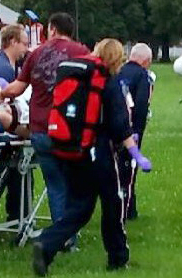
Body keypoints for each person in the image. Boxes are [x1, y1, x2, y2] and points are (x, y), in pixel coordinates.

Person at [32, 38, 152, 276]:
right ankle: (118, 258)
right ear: (117, 58)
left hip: (71, 151)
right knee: (113, 205)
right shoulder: (107, 81)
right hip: (99, 153)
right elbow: (119, 124)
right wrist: (136, 154)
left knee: (80, 208)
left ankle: (46, 244)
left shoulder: (76, 75)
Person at [0, 13, 89, 249]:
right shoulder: (82, 52)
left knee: (55, 186)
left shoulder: (36, 53)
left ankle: (62, 239)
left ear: (53, 29)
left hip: (41, 130)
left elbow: (17, 88)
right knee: (74, 185)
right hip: (71, 130)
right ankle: (69, 236)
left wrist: (0, 93)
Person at [0, 25, 31, 224]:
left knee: (11, 175)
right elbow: (5, 103)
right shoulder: (3, 68)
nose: (27, 49)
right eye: (24, 44)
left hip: (8, 129)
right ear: (12, 42)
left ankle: (18, 214)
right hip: (5, 130)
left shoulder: (9, 65)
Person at [116, 43, 154, 220]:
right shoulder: (142, 76)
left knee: (116, 167)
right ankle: (128, 209)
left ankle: (117, 205)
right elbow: (140, 106)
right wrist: (137, 131)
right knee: (129, 169)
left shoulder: (118, 71)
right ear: (146, 61)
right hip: (130, 130)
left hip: (113, 127)